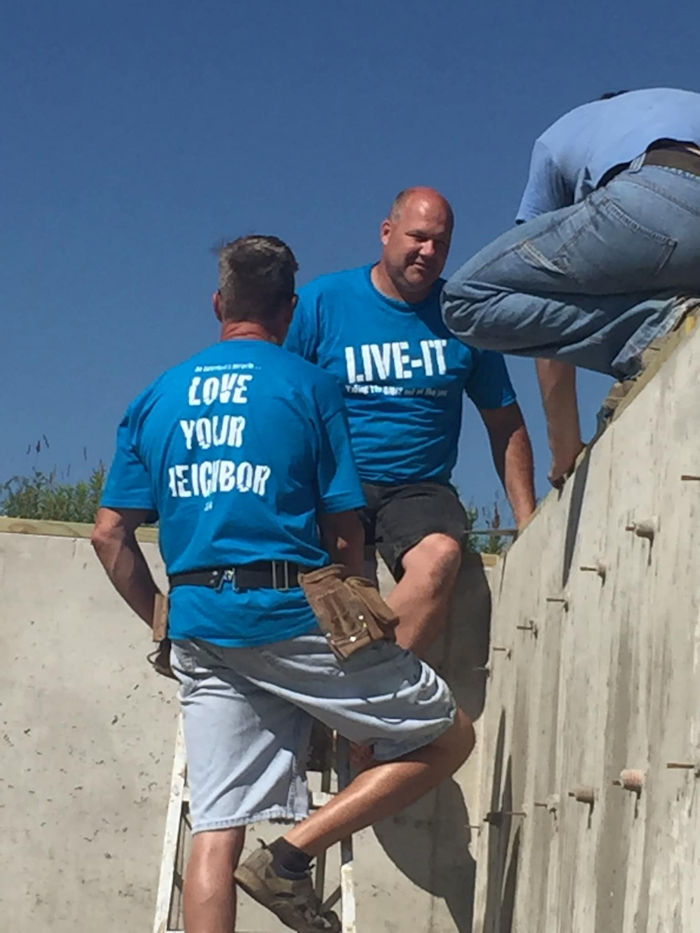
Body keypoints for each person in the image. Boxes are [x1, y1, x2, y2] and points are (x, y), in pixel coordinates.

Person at [91, 235, 475, 933]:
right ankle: (290, 859)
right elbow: (344, 533)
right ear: (290, 311)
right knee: (448, 737)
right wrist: (362, 629)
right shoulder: (308, 387)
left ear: (218, 302)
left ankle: (269, 863)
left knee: (216, 824)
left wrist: (163, 621)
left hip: (202, 625)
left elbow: (108, 534)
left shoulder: (158, 395)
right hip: (290, 614)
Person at [285, 187, 536, 655]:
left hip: (419, 488)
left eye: (440, 243)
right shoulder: (322, 303)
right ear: (386, 232)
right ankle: (360, 707)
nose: (428, 251)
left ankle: (364, 696)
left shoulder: (461, 316)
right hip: (337, 481)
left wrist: (529, 522)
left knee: (441, 555)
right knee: (322, 580)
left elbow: (504, 422)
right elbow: (281, 407)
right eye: (418, 237)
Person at [441, 88, 700, 486]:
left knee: (465, 300)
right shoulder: (687, 101)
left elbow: (544, 293)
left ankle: (650, 326)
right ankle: (662, 316)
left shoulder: (562, 133)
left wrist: (564, 451)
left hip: (654, 195)